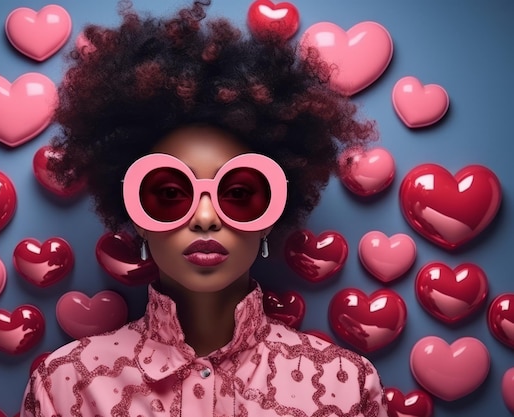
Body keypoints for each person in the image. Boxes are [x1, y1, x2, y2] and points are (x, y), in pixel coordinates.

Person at [21, 1, 387, 416]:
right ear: (134, 213)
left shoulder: (346, 385)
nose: (207, 218)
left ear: (275, 212)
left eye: (239, 193)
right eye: (171, 194)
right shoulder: (67, 384)